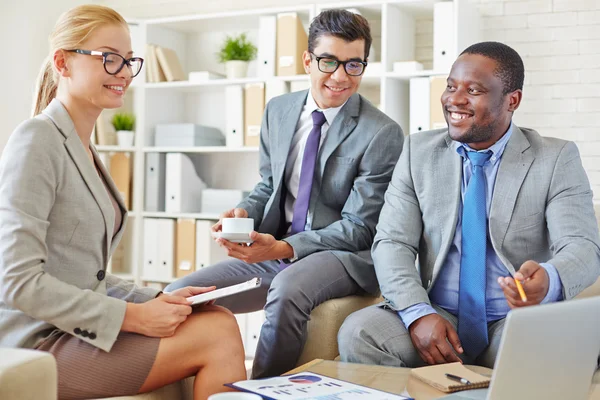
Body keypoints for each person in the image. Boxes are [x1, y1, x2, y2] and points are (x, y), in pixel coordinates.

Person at [0, 5, 245, 400]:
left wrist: (156, 299)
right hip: (37, 344)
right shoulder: (37, 140)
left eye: (129, 61)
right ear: (63, 62)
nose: (125, 73)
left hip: (69, 331)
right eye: (109, 59)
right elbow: (17, 283)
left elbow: (84, 274)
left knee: (215, 316)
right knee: (216, 333)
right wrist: (134, 317)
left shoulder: (83, 147)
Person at [166, 9, 404, 378]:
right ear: (308, 60)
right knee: (182, 292)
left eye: (354, 64)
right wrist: (243, 214)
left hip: (343, 255)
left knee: (287, 287)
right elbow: (267, 186)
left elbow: (360, 227)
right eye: (329, 62)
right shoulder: (278, 110)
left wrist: (284, 249)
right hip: (276, 245)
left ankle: (263, 389)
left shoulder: (381, 132)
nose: (341, 76)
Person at [338, 41, 600, 369]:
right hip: (438, 313)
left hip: (514, 320)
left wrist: (548, 279)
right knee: (359, 333)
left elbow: (583, 248)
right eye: (451, 86)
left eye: (473, 90)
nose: (455, 100)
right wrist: (419, 314)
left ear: (512, 100)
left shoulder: (554, 158)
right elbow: (392, 243)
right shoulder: (417, 152)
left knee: (554, 345)